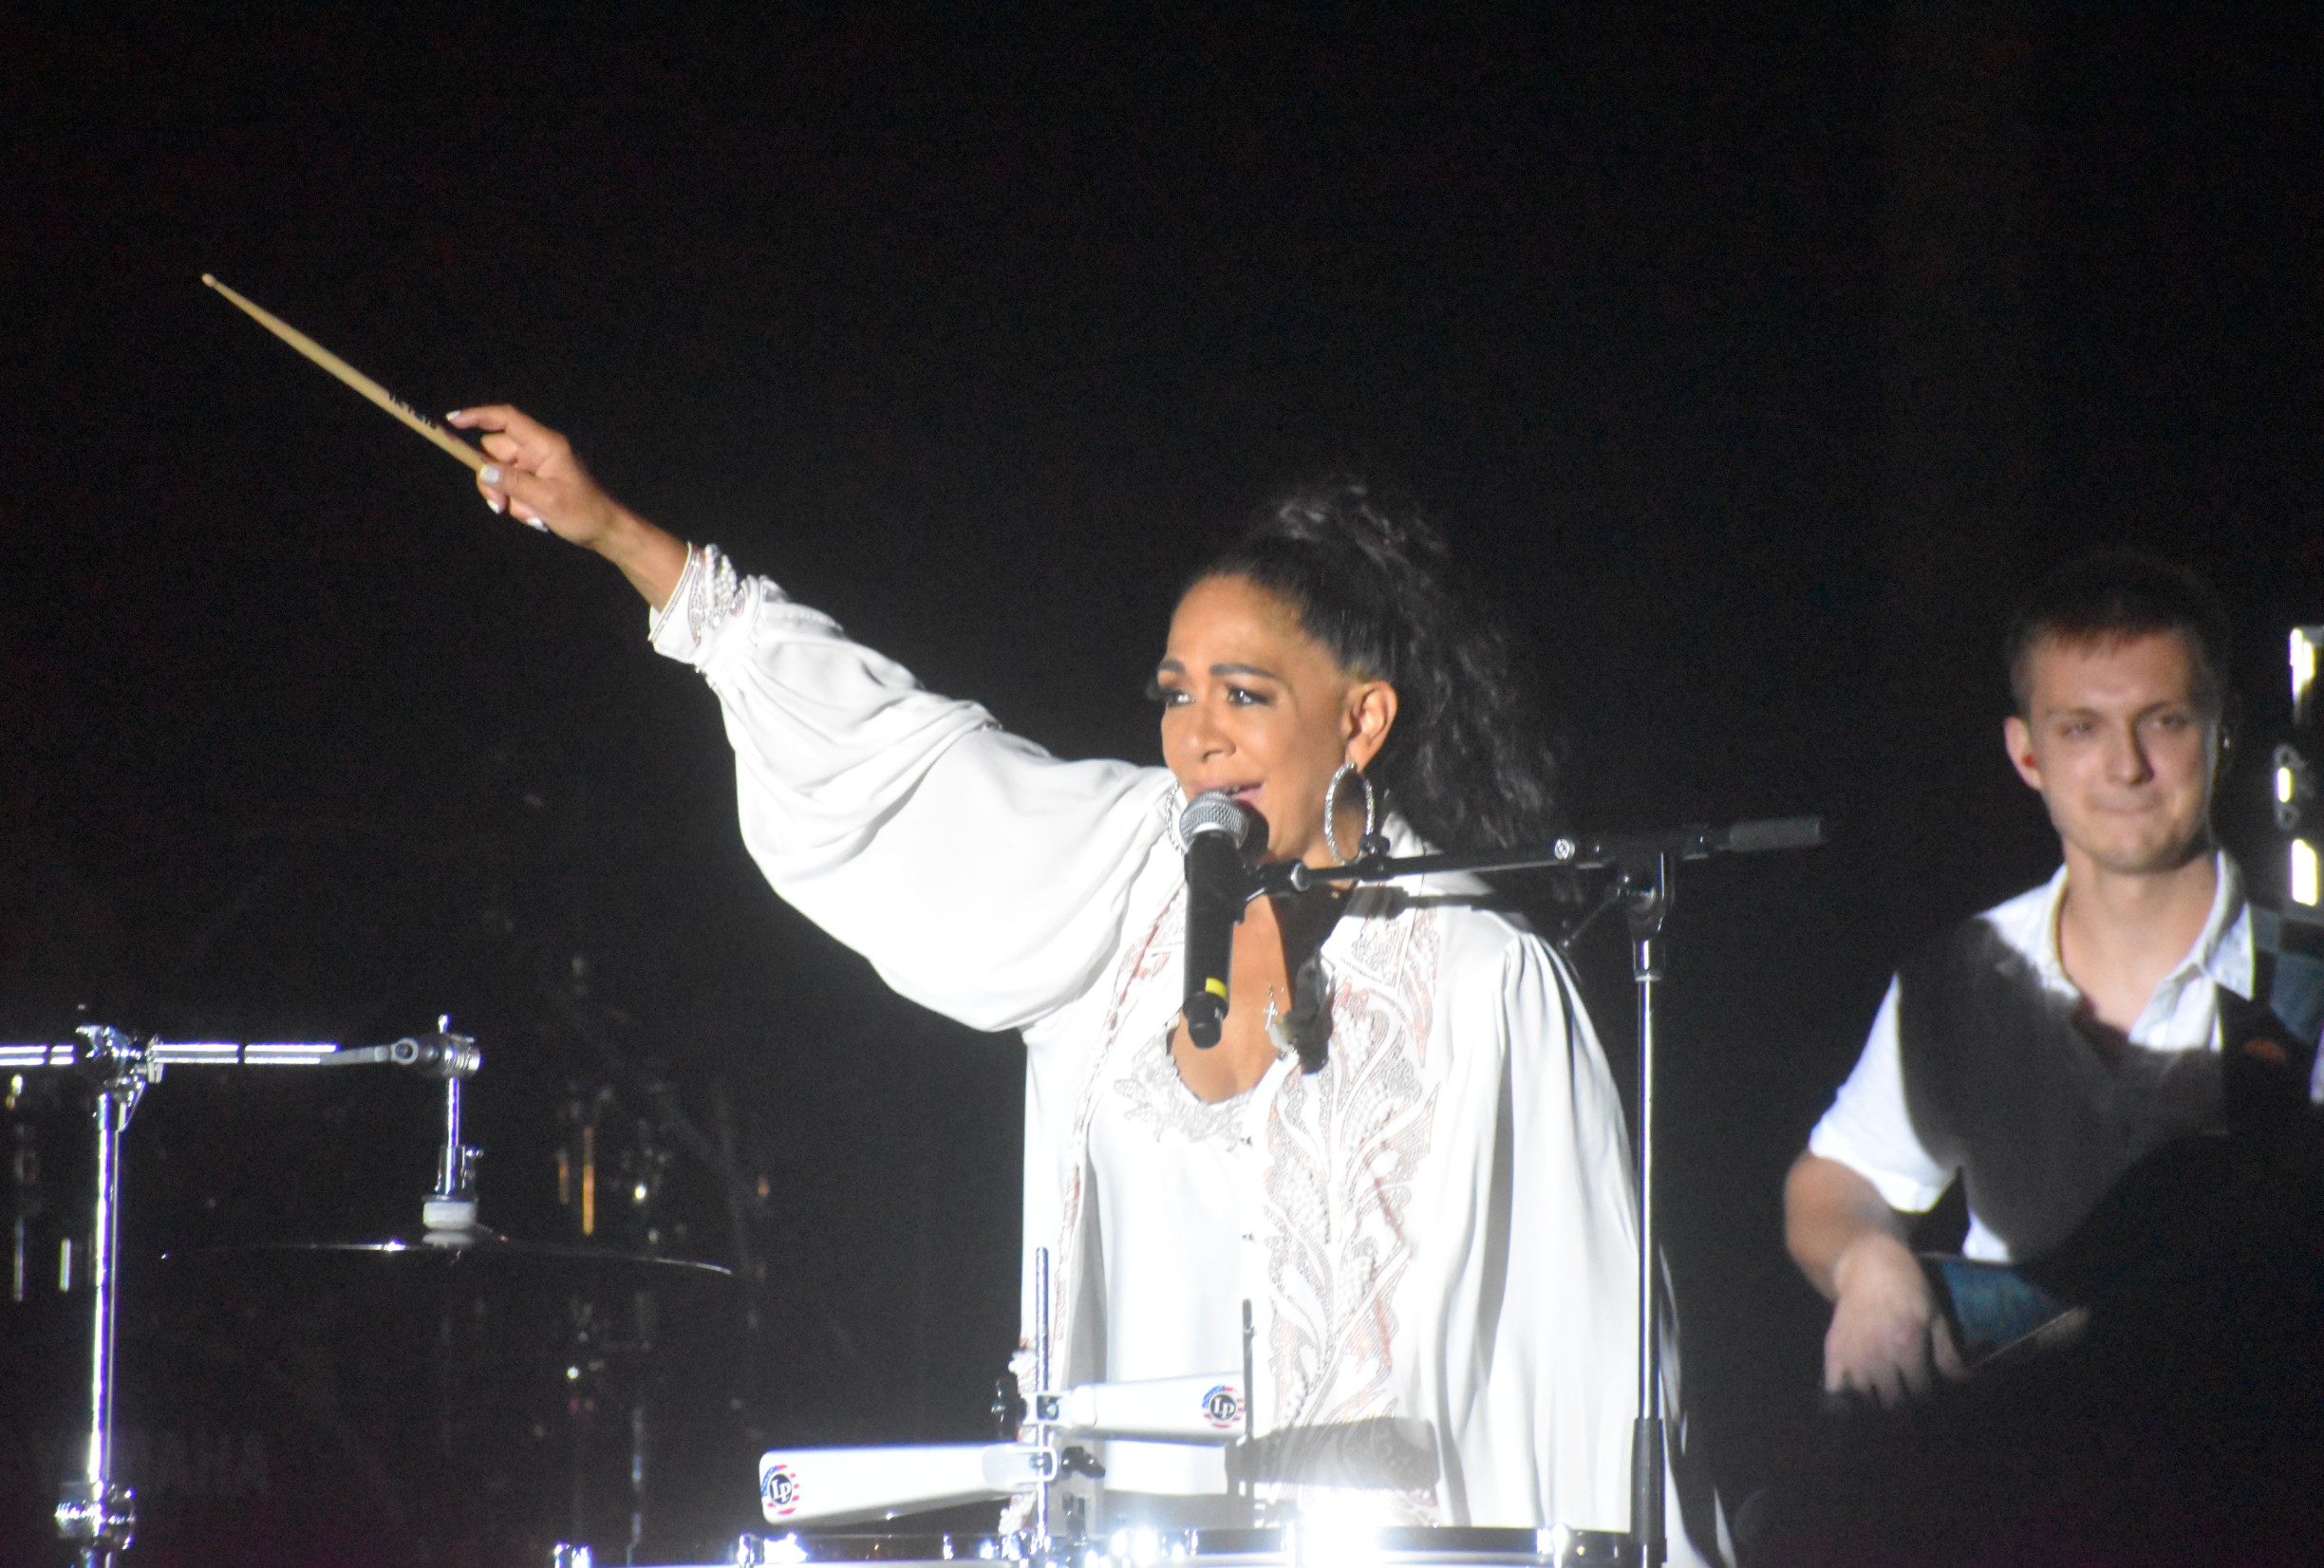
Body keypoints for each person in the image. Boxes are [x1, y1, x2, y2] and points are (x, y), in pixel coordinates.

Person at [451, 404, 1715, 1559]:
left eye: (1246, 692)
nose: (1198, 731)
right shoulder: (1113, 882)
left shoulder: (1486, 982)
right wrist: (618, 534)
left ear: (1364, 719)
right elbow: (892, 753)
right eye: (1175, 693)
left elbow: (1588, 1368)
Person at [1766, 551, 2324, 1561]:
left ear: (2224, 732)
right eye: (2081, 729)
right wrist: (1869, 1261)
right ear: (2026, 753)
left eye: (2163, 720)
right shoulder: (1958, 980)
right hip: (2009, 1505)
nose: (2125, 768)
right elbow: (1832, 1180)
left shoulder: (2304, 984)